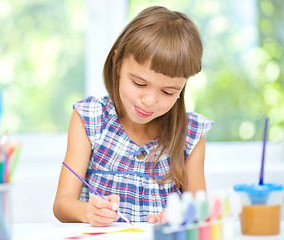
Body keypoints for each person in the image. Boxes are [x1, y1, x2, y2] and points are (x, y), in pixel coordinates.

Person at [53, 5, 213, 227]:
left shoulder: (191, 133)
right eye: (139, 83)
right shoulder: (90, 118)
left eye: (168, 91)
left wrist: (177, 217)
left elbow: (199, 211)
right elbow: (62, 204)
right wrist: (88, 212)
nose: (149, 100)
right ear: (118, 64)